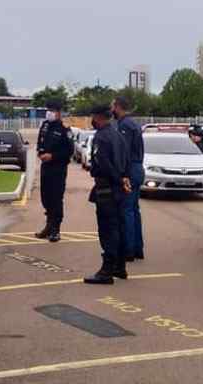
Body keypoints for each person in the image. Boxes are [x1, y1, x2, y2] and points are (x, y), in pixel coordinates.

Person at [83, 105, 131, 285]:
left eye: (93, 117)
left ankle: (107, 270)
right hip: (119, 189)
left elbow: (103, 164)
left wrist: (117, 179)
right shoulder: (118, 134)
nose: (92, 121)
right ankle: (120, 266)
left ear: (98, 117)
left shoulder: (101, 137)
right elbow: (126, 160)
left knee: (107, 230)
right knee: (119, 227)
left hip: (107, 187)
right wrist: (123, 178)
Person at [35, 99, 73, 243]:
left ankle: (55, 229)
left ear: (58, 112)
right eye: (48, 110)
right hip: (46, 168)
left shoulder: (64, 128)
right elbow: (40, 142)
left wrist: (53, 156)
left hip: (58, 168)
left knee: (56, 199)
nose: (49, 113)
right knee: (46, 198)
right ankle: (48, 226)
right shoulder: (45, 125)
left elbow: (69, 150)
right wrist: (40, 153)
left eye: (52, 110)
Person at [111, 96, 144, 261]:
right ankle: (138, 248)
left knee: (127, 212)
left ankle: (128, 250)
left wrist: (122, 175)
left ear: (117, 107)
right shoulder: (133, 124)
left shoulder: (124, 125)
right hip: (137, 169)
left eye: (112, 106)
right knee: (133, 210)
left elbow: (123, 152)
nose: (111, 109)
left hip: (130, 170)